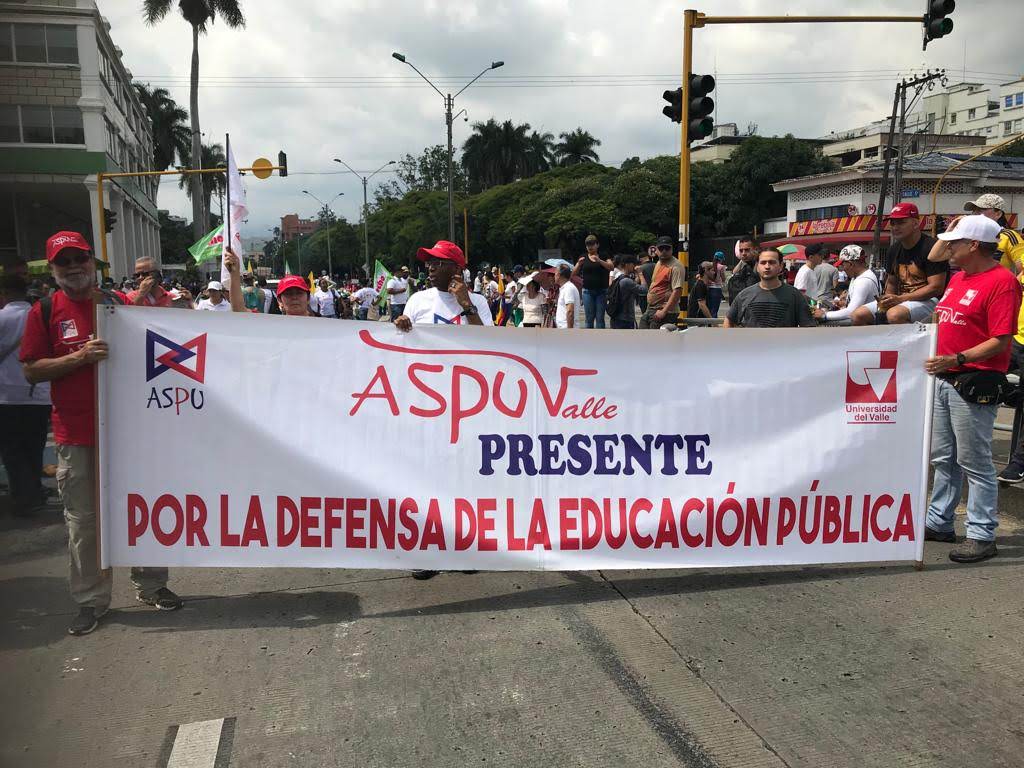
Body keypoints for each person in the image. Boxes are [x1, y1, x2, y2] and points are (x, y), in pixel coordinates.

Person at [20, 231, 183, 636]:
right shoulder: (43, 311)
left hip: (130, 434)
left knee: (143, 510)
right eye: (64, 261)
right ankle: (91, 600)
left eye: (79, 259)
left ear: (92, 262)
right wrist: (79, 357)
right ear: (53, 269)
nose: (73, 267)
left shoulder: (118, 304)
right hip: (76, 436)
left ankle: (152, 585)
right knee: (84, 522)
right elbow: (31, 369)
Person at [922, 215, 1022, 563]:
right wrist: (955, 229)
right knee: (943, 457)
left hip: (973, 380)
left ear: (974, 245)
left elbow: (1001, 340)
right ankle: (939, 521)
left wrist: (957, 358)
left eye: (956, 242)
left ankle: (981, 533)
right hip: (946, 377)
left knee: (974, 461)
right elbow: (935, 255)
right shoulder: (959, 276)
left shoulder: (1002, 282)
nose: (948, 247)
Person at [0, 274, 51, 517]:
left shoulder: (3, 317)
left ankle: (24, 496)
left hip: (7, 394)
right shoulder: (39, 314)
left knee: (13, 449)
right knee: (34, 446)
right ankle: (34, 489)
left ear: (5, 293)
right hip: (40, 392)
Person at [852, 203, 945, 325]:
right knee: (858, 315)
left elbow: (936, 288)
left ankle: (915, 338)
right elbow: (891, 282)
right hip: (901, 300)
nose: (895, 227)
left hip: (931, 301)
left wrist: (901, 299)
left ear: (915, 223)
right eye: (892, 223)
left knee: (894, 315)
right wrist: (887, 300)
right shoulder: (893, 249)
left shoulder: (931, 247)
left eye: (901, 222)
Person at [395, 241, 491, 328]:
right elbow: (407, 338)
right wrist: (402, 325)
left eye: (437, 263)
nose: (431, 268)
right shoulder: (416, 300)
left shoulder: (478, 301)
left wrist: (467, 305)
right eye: (429, 263)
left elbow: (486, 339)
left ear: (457, 269)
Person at [724, 248, 815, 328]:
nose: (767, 266)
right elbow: (728, 320)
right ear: (757, 266)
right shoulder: (744, 295)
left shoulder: (795, 295)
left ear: (781, 266)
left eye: (772, 262)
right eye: (763, 263)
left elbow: (808, 326)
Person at [812, 245, 880, 324]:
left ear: (851, 264)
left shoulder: (864, 281)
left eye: (843, 265)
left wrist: (825, 315)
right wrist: (844, 303)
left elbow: (851, 312)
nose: (843, 269)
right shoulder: (858, 277)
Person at [638, 236, 685, 329]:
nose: (664, 251)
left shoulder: (676, 266)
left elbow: (677, 291)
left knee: (654, 336)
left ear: (672, 249)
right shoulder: (659, 263)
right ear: (656, 250)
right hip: (651, 308)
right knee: (642, 333)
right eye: (661, 248)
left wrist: (664, 311)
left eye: (667, 248)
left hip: (665, 311)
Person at [572, 234, 614, 328]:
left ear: (597, 245)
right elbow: (573, 274)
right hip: (587, 291)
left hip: (602, 291)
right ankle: (589, 336)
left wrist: (600, 261)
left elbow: (611, 267)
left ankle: (600, 336)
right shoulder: (583, 257)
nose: (590, 246)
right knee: (589, 318)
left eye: (592, 244)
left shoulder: (603, 255)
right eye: (587, 244)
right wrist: (579, 264)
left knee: (600, 318)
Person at [607, 253, 641, 329]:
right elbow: (644, 290)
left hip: (615, 315)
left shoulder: (618, 277)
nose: (634, 266)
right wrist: (640, 273)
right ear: (627, 265)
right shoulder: (626, 280)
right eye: (633, 264)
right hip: (625, 318)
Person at [726, 235, 759, 303]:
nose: (743, 253)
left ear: (755, 249)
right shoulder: (744, 266)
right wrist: (742, 260)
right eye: (741, 251)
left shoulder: (762, 265)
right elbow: (734, 273)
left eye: (747, 250)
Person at [555, 265, 580, 329]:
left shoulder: (568, 288)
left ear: (559, 275)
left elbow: (570, 311)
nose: (554, 276)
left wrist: (569, 332)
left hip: (566, 329)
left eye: (555, 273)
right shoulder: (565, 288)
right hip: (563, 328)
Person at [706, 251, 726, 317]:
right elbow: (723, 278)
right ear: (721, 259)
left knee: (709, 308)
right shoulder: (721, 267)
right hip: (716, 289)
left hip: (708, 289)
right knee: (714, 310)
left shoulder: (709, 265)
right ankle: (713, 322)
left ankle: (708, 322)